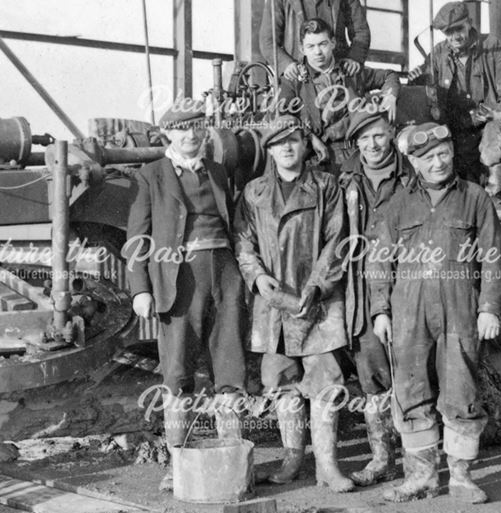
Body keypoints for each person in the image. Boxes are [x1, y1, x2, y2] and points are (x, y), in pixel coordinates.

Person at [367, 123, 501, 503]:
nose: (438, 162)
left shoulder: (475, 198)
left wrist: (489, 308)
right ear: (413, 162)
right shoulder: (397, 204)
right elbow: (378, 261)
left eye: (443, 153)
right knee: (411, 391)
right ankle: (422, 476)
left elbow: (494, 258)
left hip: (459, 306)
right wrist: (380, 310)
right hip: (408, 310)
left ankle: (461, 477)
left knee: (461, 390)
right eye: (428, 157)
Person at [124, 101, 246, 491]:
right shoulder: (150, 176)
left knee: (230, 365)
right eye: (183, 129)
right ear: (168, 135)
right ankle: (177, 461)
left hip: (225, 273)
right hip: (178, 278)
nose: (192, 135)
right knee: (177, 370)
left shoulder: (218, 171)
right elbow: (136, 240)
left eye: (198, 128)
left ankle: (231, 455)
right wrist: (140, 289)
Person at [235, 114, 353, 493]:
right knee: (282, 381)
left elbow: (338, 240)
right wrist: (256, 275)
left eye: (293, 140)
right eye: (277, 142)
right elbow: (243, 241)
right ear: (269, 150)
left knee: (326, 381)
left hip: (318, 301)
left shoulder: (326, 186)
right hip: (273, 304)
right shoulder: (253, 192)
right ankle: (291, 460)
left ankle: (328, 464)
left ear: (305, 145)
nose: (286, 147)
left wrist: (317, 286)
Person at [336, 107, 414, 486]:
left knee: (414, 367)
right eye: (364, 138)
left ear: (392, 134)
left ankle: (419, 458)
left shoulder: (412, 174)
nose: (373, 144)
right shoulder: (346, 180)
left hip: (408, 280)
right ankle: (382, 458)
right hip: (362, 286)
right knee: (371, 371)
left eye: (379, 135)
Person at [408, 1, 501, 219]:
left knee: (495, 131)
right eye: (448, 32)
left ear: (469, 23)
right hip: (459, 129)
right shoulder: (438, 54)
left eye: (458, 29)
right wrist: (419, 79)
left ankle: (494, 198)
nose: (454, 37)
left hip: (491, 125)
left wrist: (496, 113)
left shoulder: (493, 47)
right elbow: (430, 91)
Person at [278, 18, 399, 167]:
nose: (318, 52)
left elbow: (390, 76)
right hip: (315, 157)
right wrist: (310, 138)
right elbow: (283, 118)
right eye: (310, 46)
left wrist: (390, 96)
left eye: (323, 44)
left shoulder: (351, 71)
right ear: (302, 49)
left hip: (356, 153)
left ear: (333, 43)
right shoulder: (293, 80)